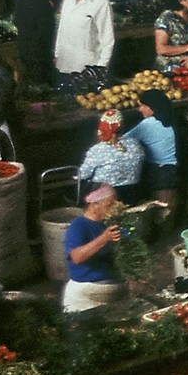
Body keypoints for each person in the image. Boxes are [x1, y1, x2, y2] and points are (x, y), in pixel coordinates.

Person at [62, 185, 127, 313]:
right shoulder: (79, 226)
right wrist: (104, 238)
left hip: (114, 288)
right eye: (110, 205)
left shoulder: (112, 223)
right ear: (94, 205)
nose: (115, 208)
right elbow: (76, 257)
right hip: (87, 292)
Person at [55, 0, 115, 83]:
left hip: (87, 67)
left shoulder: (100, 2)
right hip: (65, 62)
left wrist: (101, 68)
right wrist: (57, 54)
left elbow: (107, 38)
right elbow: (62, 28)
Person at [79, 109, 144, 203]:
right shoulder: (135, 144)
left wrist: (74, 178)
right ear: (123, 127)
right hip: (132, 194)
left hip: (105, 197)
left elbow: (83, 175)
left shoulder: (97, 150)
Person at [10, 0, 54, 88]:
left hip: (24, 52)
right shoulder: (43, 1)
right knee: (42, 90)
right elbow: (47, 31)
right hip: (41, 56)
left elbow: (16, 21)